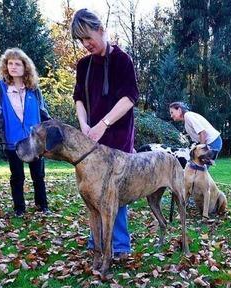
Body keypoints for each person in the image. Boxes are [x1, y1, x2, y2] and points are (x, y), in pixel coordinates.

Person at [71, 8, 139, 257]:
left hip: (117, 138)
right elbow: (79, 98)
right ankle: (97, 242)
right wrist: (85, 126)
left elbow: (130, 98)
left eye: (88, 37)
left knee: (113, 191)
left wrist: (103, 124)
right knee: (93, 190)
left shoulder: (123, 60)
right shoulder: (83, 65)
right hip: (91, 141)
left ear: (101, 30)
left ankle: (119, 245)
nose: (86, 44)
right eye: (81, 40)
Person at [0, 48, 50, 217]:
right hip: (12, 141)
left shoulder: (34, 89)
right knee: (17, 177)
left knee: (38, 175)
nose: (13, 67)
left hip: (34, 141)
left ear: (25, 67)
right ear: (5, 66)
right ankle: (19, 209)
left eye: (17, 64)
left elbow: (43, 113)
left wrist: (51, 131)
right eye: (10, 63)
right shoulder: (0, 88)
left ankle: (42, 205)